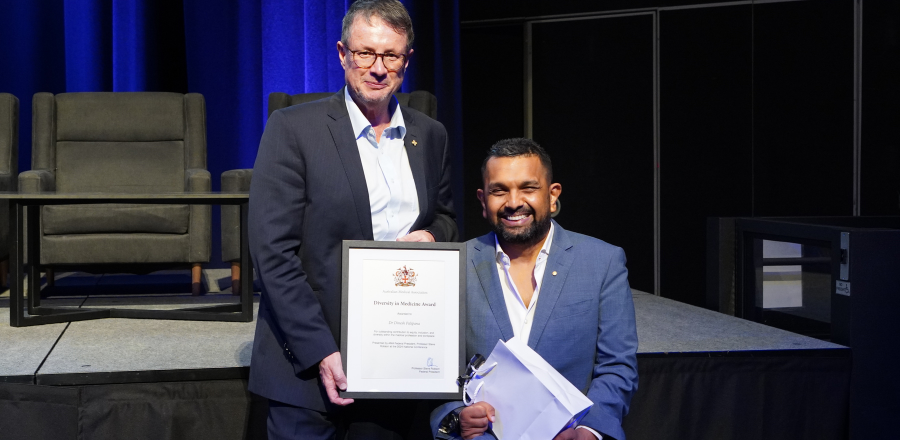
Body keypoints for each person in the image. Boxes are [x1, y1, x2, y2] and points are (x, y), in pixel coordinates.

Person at [247, 0, 458, 438]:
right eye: (365, 53)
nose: (377, 68)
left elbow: (447, 219)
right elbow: (272, 252)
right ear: (343, 54)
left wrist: (432, 236)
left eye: (391, 55)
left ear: (407, 60)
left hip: (397, 365)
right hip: (305, 369)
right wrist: (320, 350)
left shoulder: (430, 135)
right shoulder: (292, 129)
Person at [431, 138, 638, 440]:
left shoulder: (603, 261)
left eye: (528, 188)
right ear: (482, 200)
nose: (514, 202)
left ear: (553, 196)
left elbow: (617, 365)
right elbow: (432, 368)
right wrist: (457, 414)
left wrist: (589, 430)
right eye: (499, 190)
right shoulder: (453, 265)